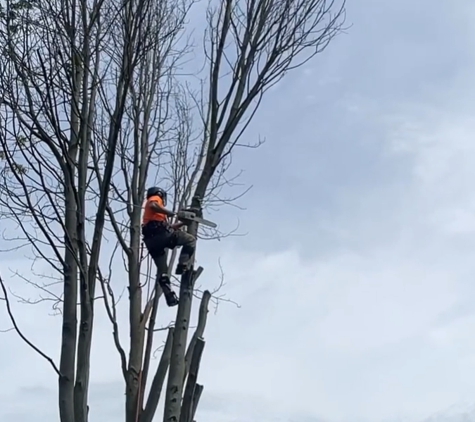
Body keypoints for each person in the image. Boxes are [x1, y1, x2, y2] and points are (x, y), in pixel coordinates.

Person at [141, 186, 196, 306]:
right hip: (160, 234)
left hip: (151, 242)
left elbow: (169, 229)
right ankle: (182, 265)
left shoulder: (152, 217)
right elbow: (153, 205)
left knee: (163, 271)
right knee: (190, 240)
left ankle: (169, 297)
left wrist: (183, 223)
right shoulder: (155, 199)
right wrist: (168, 212)